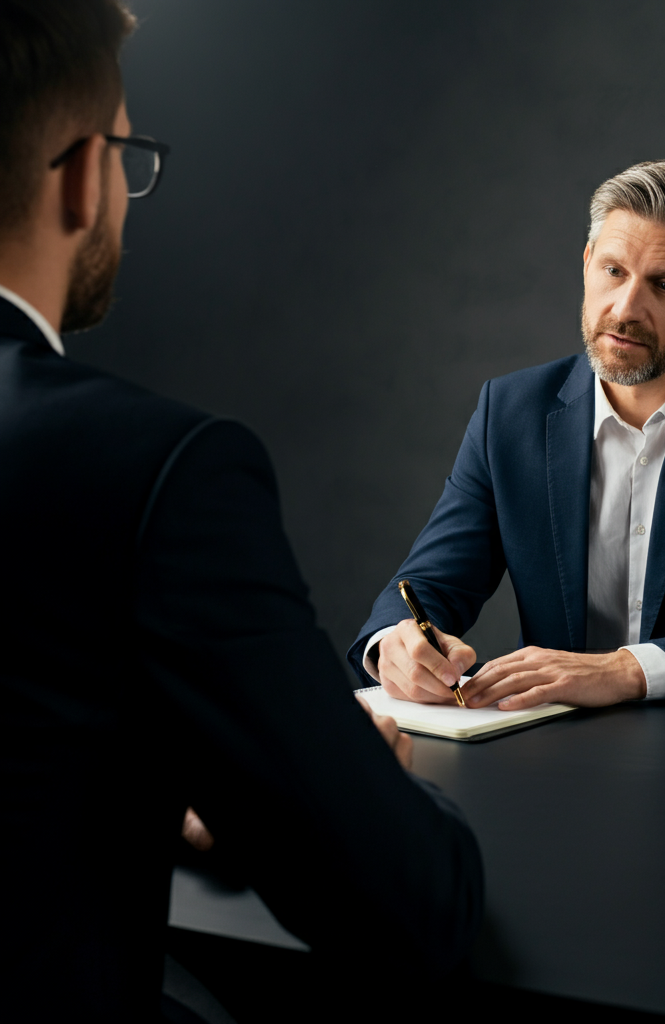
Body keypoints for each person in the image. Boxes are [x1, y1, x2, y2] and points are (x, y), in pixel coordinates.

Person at [0, 2, 482, 1020]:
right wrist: (355, 778)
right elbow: (405, 903)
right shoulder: (154, 468)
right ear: (86, 174)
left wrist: (140, 780)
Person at [349, 160, 665, 710]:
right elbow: (428, 587)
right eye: (614, 271)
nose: (624, 309)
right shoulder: (511, 411)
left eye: (664, 285)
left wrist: (626, 670)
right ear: (588, 262)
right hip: (547, 753)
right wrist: (394, 646)